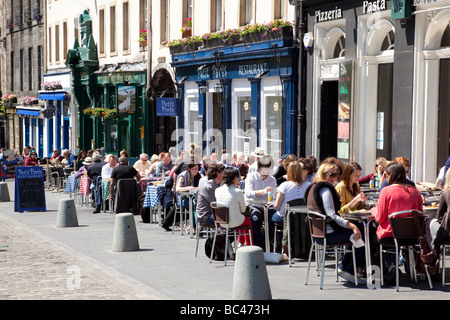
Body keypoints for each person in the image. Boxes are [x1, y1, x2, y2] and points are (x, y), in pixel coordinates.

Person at [304, 162, 365, 284]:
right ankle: (349, 271)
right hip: (329, 234)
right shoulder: (325, 190)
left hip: (318, 234)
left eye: (336, 175)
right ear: (323, 174)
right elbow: (332, 215)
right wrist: (351, 225)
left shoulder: (312, 187)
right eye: (331, 175)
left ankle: (345, 268)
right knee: (361, 232)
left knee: (358, 230)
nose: (334, 178)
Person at [370, 162, 423, 283]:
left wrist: (373, 210)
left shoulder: (386, 191)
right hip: (413, 237)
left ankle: (391, 263)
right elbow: (420, 215)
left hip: (389, 236)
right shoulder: (415, 191)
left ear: (389, 175)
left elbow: (380, 218)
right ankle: (394, 264)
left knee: (374, 239)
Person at [272, 161, 310, 255]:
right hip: (303, 217)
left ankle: (275, 244)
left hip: (287, 217)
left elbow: (277, 206)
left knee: (271, 218)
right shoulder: (308, 185)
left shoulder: (284, 185)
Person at [244, 154, 277, 250]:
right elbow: (248, 194)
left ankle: (270, 242)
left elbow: (273, 197)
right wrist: (263, 191)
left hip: (268, 205)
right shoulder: (251, 177)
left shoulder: (272, 179)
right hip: (253, 204)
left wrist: (269, 202)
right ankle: (260, 244)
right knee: (255, 219)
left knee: (273, 219)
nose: (268, 171)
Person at [215, 166, 254, 247]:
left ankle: (241, 242)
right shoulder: (238, 191)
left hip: (222, 222)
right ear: (234, 178)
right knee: (247, 220)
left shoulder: (217, 190)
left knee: (241, 217)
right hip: (236, 221)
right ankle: (249, 245)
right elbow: (243, 210)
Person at [161, 163, 201, 231]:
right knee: (193, 205)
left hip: (192, 197)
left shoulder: (198, 175)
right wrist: (189, 188)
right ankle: (194, 227)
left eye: (196, 169)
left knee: (200, 204)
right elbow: (177, 189)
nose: (195, 171)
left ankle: (201, 226)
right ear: (189, 169)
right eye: (193, 169)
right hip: (181, 199)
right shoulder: (183, 176)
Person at [196, 163, 225, 228]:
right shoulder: (209, 187)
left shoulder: (214, 184)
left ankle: (224, 237)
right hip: (206, 217)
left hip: (210, 215)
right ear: (218, 173)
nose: (224, 175)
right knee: (230, 217)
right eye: (223, 173)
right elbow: (215, 205)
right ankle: (224, 237)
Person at [430, 169, 450, 254]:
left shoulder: (446, 193)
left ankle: (434, 251)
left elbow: (439, 215)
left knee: (431, 223)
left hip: (448, 234)